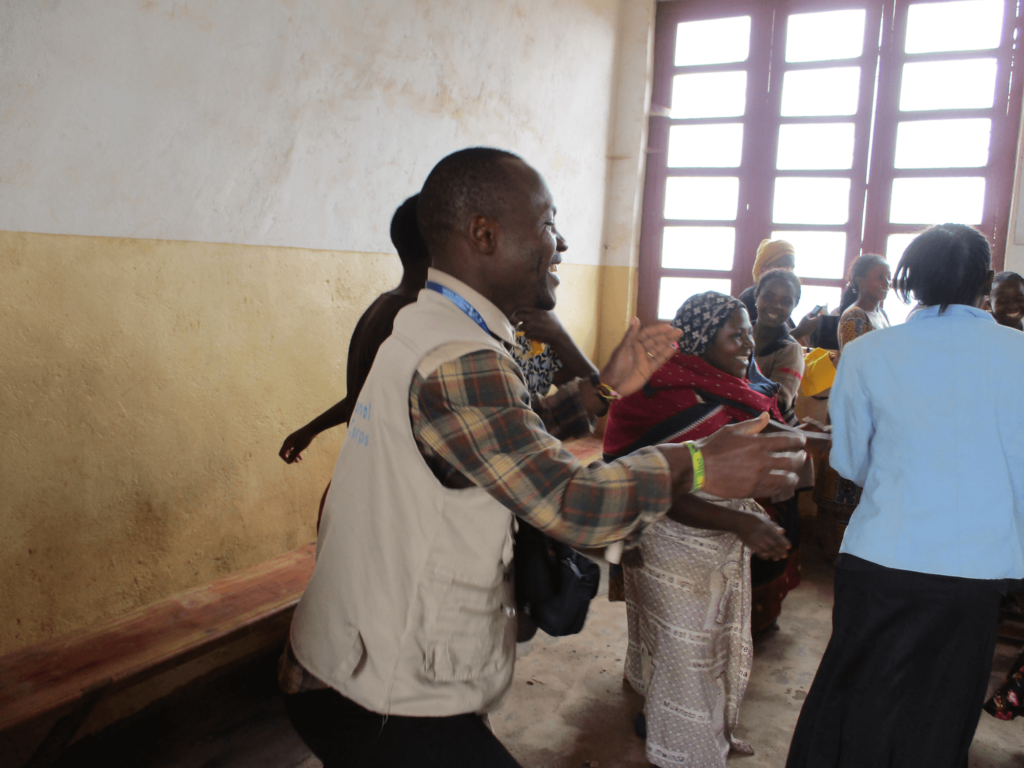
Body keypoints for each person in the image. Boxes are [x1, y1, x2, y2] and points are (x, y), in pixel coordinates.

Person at [278, 148, 807, 768]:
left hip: (353, 656)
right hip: (378, 688)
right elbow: (570, 504)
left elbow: (490, 444)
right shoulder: (460, 357)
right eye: (548, 223)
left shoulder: (433, 327)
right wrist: (695, 463)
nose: (559, 244)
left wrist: (600, 390)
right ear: (484, 234)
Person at [786, 223, 1024, 767]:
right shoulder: (1019, 355)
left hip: (881, 555)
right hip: (977, 567)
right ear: (986, 280)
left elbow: (848, 461)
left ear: (909, 282)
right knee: (941, 706)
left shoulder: (870, 353)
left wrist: (902, 477)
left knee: (859, 694)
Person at [602, 292, 794, 766]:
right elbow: (662, 487)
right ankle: (683, 748)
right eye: (735, 333)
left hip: (709, 548)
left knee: (682, 641)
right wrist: (742, 521)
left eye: (748, 330)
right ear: (703, 338)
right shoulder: (669, 395)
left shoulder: (731, 387)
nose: (748, 342)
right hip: (668, 542)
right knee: (688, 650)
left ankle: (662, 706)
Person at [278, 195, 430, 464]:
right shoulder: (413, 316)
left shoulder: (383, 306)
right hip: (389, 474)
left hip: (367, 468)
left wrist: (312, 428)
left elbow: (363, 398)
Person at [812, 254, 890, 561]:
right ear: (858, 281)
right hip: (855, 404)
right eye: (879, 277)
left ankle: (853, 549)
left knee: (861, 476)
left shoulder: (880, 314)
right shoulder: (855, 316)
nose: (886, 283)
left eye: (888, 277)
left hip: (874, 406)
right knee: (843, 474)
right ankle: (834, 551)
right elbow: (857, 367)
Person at [737, 238, 822, 340]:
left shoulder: (780, 298)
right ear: (763, 267)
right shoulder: (751, 298)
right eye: (782, 266)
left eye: (791, 267)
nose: (788, 271)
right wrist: (800, 331)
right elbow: (759, 344)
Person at [753, 268, 805, 426]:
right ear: (756, 296)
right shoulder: (737, 336)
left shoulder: (790, 350)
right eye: (768, 297)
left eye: (786, 301)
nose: (776, 305)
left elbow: (779, 403)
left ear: (794, 306)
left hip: (773, 434)